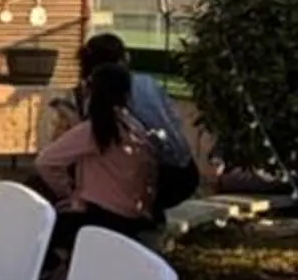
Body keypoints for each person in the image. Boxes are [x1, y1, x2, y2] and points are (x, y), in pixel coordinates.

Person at [35, 57, 160, 278]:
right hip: (133, 216)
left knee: (39, 218)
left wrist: (70, 194)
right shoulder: (135, 127)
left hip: (100, 217)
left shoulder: (94, 130)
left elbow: (46, 161)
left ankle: (52, 275)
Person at [43, 31, 200, 207]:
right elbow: (174, 120)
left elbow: (84, 141)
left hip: (146, 182)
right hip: (185, 170)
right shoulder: (147, 83)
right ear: (124, 58)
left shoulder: (104, 95)